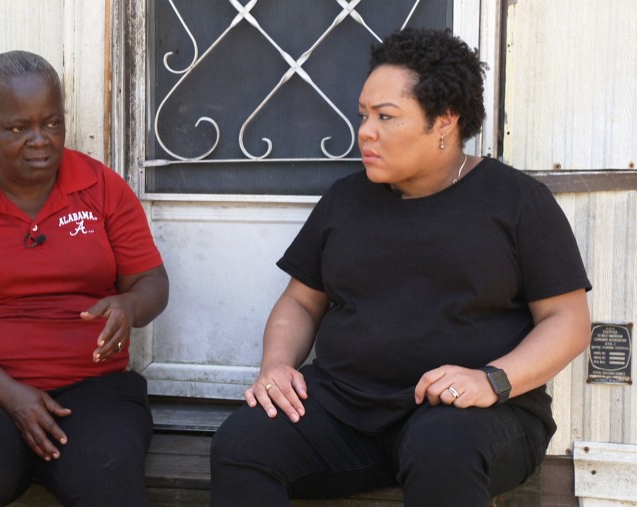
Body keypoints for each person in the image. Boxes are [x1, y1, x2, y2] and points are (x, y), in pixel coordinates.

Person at [210, 28, 592, 506]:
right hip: (347, 410)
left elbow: (568, 321)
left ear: (445, 122)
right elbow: (301, 302)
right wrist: (276, 367)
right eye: (363, 115)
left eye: (386, 117)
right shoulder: (345, 200)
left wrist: (492, 379)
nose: (365, 131)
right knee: (244, 443)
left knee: (443, 449)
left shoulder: (517, 202)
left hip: (473, 417)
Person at [0, 50, 168, 507]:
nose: (40, 140)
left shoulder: (102, 188)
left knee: (111, 476)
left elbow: (152, 282)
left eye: (52, 122)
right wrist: (10, 396)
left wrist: (130, 306)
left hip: (94, 390)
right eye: (17, 128)